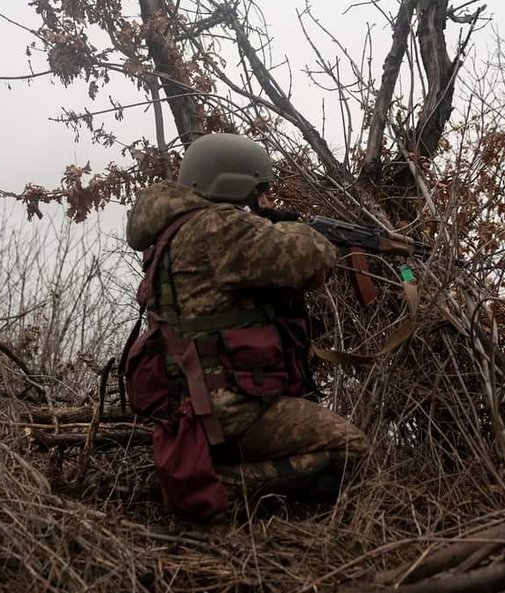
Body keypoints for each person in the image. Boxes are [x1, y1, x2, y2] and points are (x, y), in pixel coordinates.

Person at [123, 133, 369, 521]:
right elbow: (310, 258)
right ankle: (220, 489)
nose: (261, 199)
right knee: (352, 449)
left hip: (191, 406)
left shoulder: (172, 232)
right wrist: (296, 228)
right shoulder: (217, 227)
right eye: (258, 190)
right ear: (234, 182)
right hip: (230, 412)